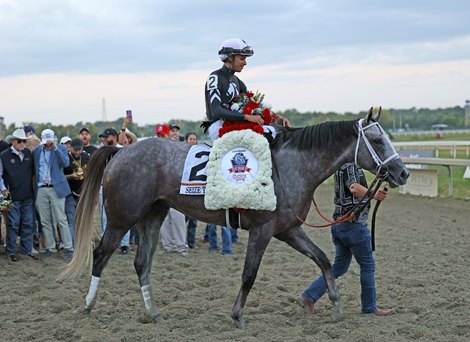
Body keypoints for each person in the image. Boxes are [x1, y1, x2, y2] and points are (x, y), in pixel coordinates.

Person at [296, 163, 394, 317]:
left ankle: (309, 296)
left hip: (340, 226)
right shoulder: (350, 166)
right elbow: (354, 188)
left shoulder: (341, 166)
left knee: (339, 267)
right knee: (368, 266)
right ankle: (369, 308)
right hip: (354, 227)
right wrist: (374, 195)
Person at [204, 38, 290, 141]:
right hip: (217, 127)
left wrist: (277, 118)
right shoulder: (215, 77)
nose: (245, 63)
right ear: (230, 57)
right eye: (242, 58)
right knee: (268, 132)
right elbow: (216, 111)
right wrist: (247, 117)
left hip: (235, 124)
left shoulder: (238, 81)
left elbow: (255, 106)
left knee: (276, 130)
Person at [33, 129, 74, 260]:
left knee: (61, 219)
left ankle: (68, 247)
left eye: (49, 141)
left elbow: (66, 163)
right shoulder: (37, 151)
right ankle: (50, 247)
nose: (47, 144)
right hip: (41, 189)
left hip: (56, 188)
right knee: (45, 220)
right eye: (46, 142)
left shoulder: (60, 148)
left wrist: (55, 148)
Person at [0, 128, 37, 261]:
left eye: (25, 141)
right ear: (13, 142)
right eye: (20, 141)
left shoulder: (28, 154)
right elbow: (0, 176)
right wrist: (3, 189)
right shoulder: (3, 156)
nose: (23, 144)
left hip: (27, 195)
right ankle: (11, 251)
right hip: (12, 196)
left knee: (28, 223)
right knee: (13, 224)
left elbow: (33, 173)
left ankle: (26, 250)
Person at [97, 127, 130, 255]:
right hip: (104, 188)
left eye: (107, 137)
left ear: (114, 137)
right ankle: (106, 243)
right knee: (105, 217)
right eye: (103, 137)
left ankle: (124, 244)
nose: (104, 139)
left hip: (122, 188)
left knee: (125, 217)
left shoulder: (123, 151)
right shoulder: (101, 151)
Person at [64, 138, 90, 246]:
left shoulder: (86, 157)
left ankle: (82, 243)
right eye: (76, 150)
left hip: (83, 194)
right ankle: (72, 245)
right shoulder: (65, 158)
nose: (78, 152)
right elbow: (59, 177)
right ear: (70, 147)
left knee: (82, 220)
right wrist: (70, 176)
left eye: (80, 149)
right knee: (71, 220)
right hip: (70, 193)